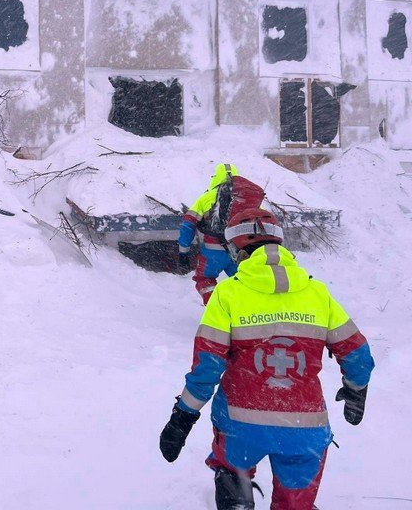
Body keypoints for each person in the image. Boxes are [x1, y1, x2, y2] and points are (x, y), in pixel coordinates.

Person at [160, 208, 374, 510]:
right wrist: (356, 391)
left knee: (234, 486)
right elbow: (358, 355)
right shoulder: (317, 293)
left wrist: (181, 418)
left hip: (239, 425)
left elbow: (207, 368)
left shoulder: (227, 295)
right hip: (305, 426)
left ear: (235, 249)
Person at [177, 163, 241, 304]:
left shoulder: (205, 198)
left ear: (216, 178)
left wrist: (183, 252)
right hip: (240, 253)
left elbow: (188, 225)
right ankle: (245, 311)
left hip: (213, 254)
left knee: (204, 280)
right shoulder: (246, 198)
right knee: (244, 281)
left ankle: (216, 309)